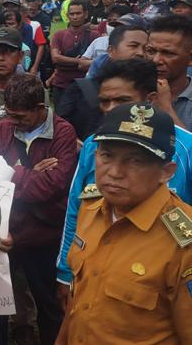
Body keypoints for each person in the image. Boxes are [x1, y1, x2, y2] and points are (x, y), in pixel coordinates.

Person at [54, 102, 192, 345]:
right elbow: (79, 305)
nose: (115, 172)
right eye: (107, 155)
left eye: (135, 161)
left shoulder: (184, 243)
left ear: (166, 172)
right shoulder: (91, 207)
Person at [55, 58, 192, 302]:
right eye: (105, 101)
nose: (110, 109)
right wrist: (66, 275)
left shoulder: (185, 149)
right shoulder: (92, 145)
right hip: (95, 268)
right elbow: (75, 208)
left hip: (155, 280)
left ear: (149, 100)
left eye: (122, 100)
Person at [0, 74, 76, 345]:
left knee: (48, 301)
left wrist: (11, 174)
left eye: (21, 117)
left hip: (43, 235)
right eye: (10, 115)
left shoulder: (63, 132)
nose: (14, 122)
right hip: (4, 233)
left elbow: (54, 186)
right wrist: (29, 173)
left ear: (40, 108)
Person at [57, 25, 149, 140]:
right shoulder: (82, 89)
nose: (140, 53)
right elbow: (59, 125)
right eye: (133, 46)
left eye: (147, 49)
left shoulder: (154, 91)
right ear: (111, 51)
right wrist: (72, 141)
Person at [146, 15, 192, 130]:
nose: (156, 60)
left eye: (168, 53)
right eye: (151, 51)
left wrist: (166, 109)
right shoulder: (133, 90)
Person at [50, 0, 97, 107]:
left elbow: (97, 61)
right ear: (67, 15)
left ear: (85, 14)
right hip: (62, 84)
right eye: (72, 14)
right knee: (62, 119)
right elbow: (55, 58)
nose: (75, 17)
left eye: (78, 13)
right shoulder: (59, 35)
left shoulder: (94, 35)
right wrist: (80, 61)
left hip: (85, 85)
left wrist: (65, 60)